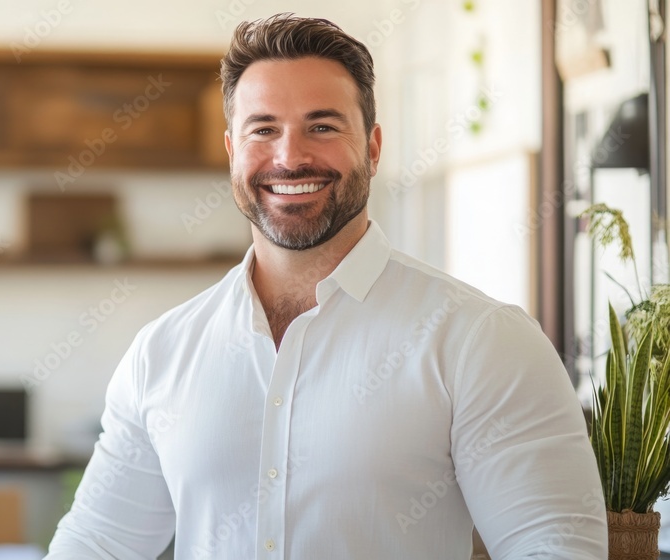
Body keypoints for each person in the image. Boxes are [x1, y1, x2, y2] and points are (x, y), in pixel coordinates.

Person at [45, 13, 607, 559]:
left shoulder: (481, 342)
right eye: (263, 129)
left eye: (322, 126)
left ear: (374, 147)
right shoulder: (161, 353)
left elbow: (555, 548)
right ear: (231, 151)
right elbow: (97, 544)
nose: (290, 157)